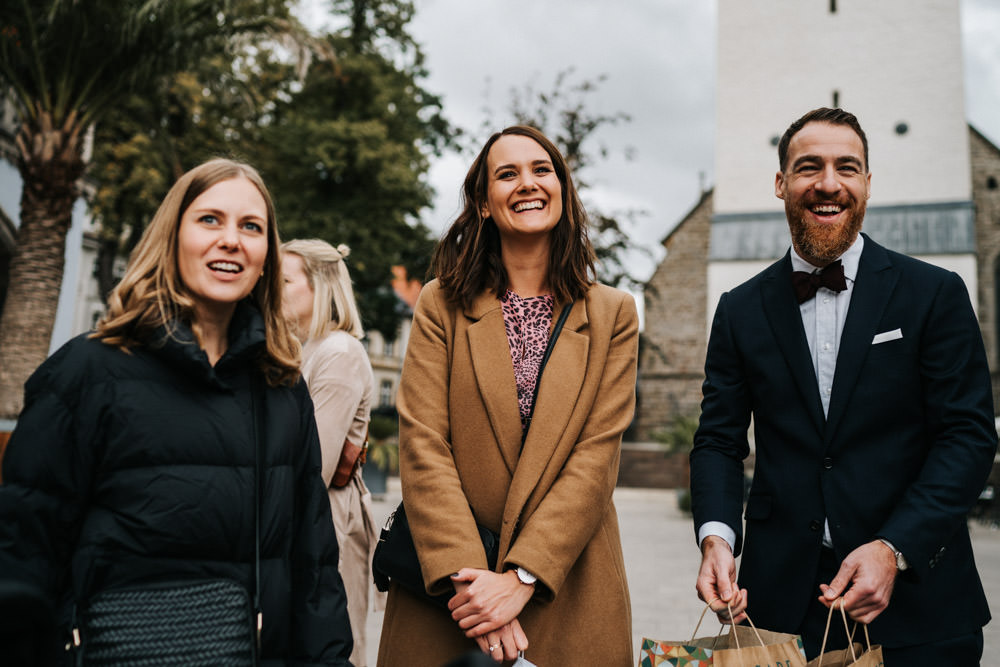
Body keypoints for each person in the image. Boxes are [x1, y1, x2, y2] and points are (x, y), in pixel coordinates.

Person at [0, 158, 353, 664]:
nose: (231, 239)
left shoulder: (282, 387)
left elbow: (313, 567)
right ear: (173, 236)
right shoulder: (85, 374)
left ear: (264, 258)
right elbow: (23, 555)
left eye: (251, 227)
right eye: (210, 219)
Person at [690, 107, 997, 664]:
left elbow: (968, 436)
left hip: (921, 608)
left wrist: (893, 548)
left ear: (867, 184)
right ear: (781, 183)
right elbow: (718, 439)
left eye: (847, 168)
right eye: (809, 167)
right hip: (779, 609)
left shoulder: (935, 293)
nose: (828, 184)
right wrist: (716, 537)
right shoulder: (739, 310)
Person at [376, 125, 638, 666]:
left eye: (542, 170)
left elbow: (596, 458)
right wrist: (473, 586)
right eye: (507, 173)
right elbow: (423, 444)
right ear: (483, 202)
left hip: (567, 584)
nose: (528, 183)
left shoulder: (614, 314)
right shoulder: (439, 304)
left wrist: (521, 578)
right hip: (454, 594)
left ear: (562, 191)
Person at [281, 239, 379, 667]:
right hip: (300, 514)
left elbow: (315, 466)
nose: (267, 289)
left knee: (334, 645)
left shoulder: (338, 352)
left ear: (320, 287)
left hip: (329, 519)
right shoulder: (300, 348)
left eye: (282, 280)